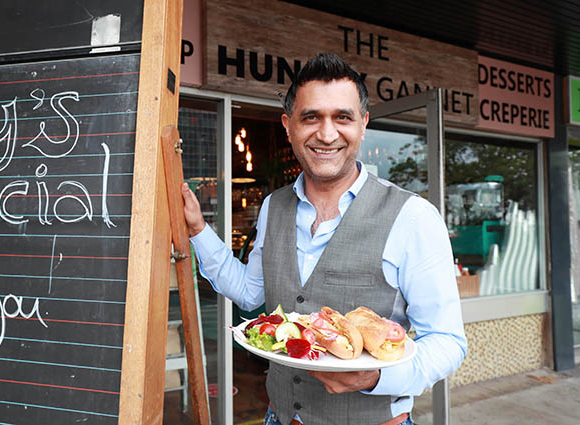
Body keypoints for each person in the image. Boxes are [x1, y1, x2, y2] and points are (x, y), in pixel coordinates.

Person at [181, 53, 467, 425]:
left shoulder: (413, 217)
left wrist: (375, 377)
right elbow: (251, 293)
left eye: (342, 117)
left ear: (363, 125)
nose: (327, 134)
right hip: (280, 417)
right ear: (289, 126)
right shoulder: (273, 206)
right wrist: (198, 230)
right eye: (311, 117)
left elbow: (447, 341)